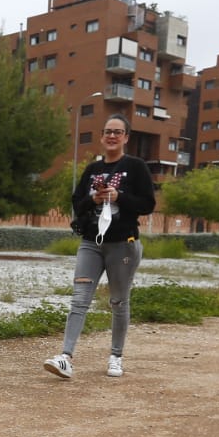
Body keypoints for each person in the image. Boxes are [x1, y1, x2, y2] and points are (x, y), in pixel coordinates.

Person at [44, 115, 157, 380]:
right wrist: (93, 197)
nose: (112, 136)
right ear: (102, 136)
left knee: (118, 301)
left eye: (118, 132)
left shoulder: (136, 166)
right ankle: (65, 358)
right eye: (108, 131)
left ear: (126, 137)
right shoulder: (92, 169)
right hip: (91, 243)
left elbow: (148, 204)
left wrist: (120, 197)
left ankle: (116, 356)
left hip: (123, 245)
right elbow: (77, 202)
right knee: (79, 300)